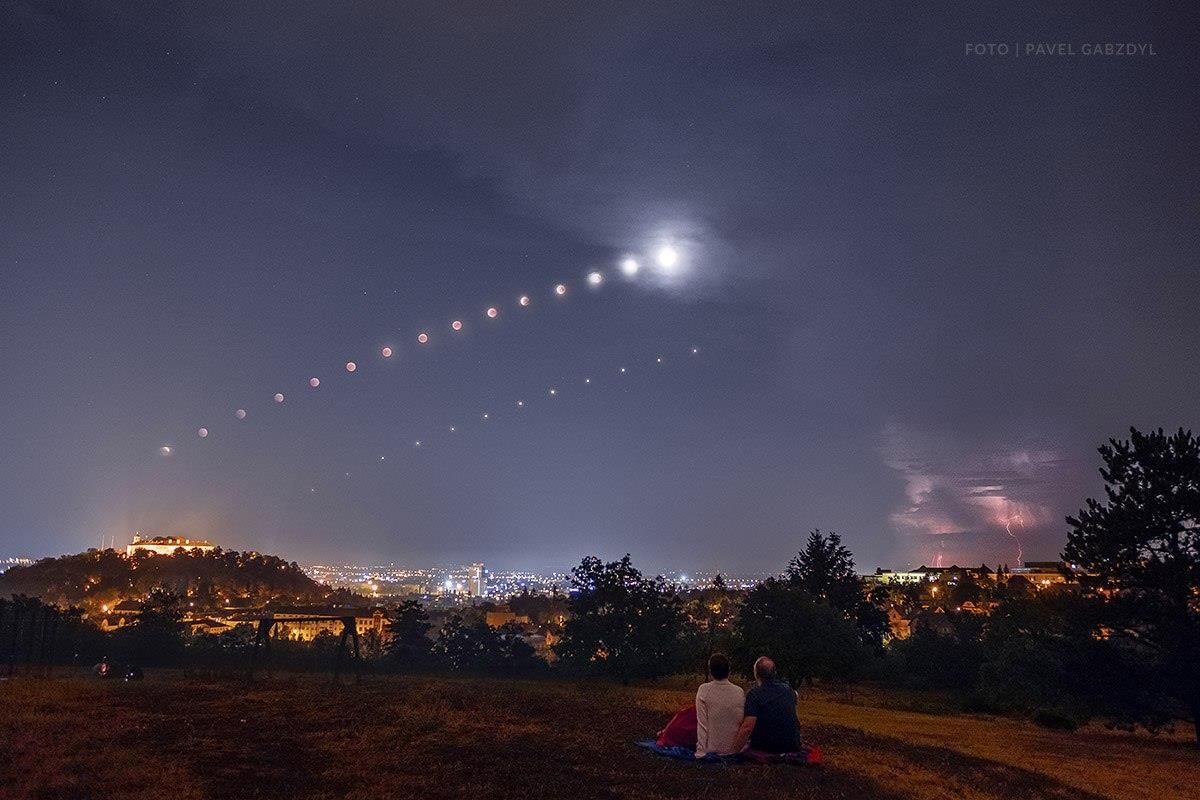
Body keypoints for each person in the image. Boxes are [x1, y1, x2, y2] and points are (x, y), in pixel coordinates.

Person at [732, 656, 801, 754]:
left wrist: (734, 751)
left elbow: (747, 727)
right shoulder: (789, 690)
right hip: (792, 746)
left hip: (766, 747)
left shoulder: (754, 695)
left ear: (756, 674)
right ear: (775, 673)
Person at [694, 653, 745, 757]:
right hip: (736, 749)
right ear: (728, 671)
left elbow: (702, 724)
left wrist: (701, 752)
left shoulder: (704, 690)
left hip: (713, 750)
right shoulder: (739, 691)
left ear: (710, 672)